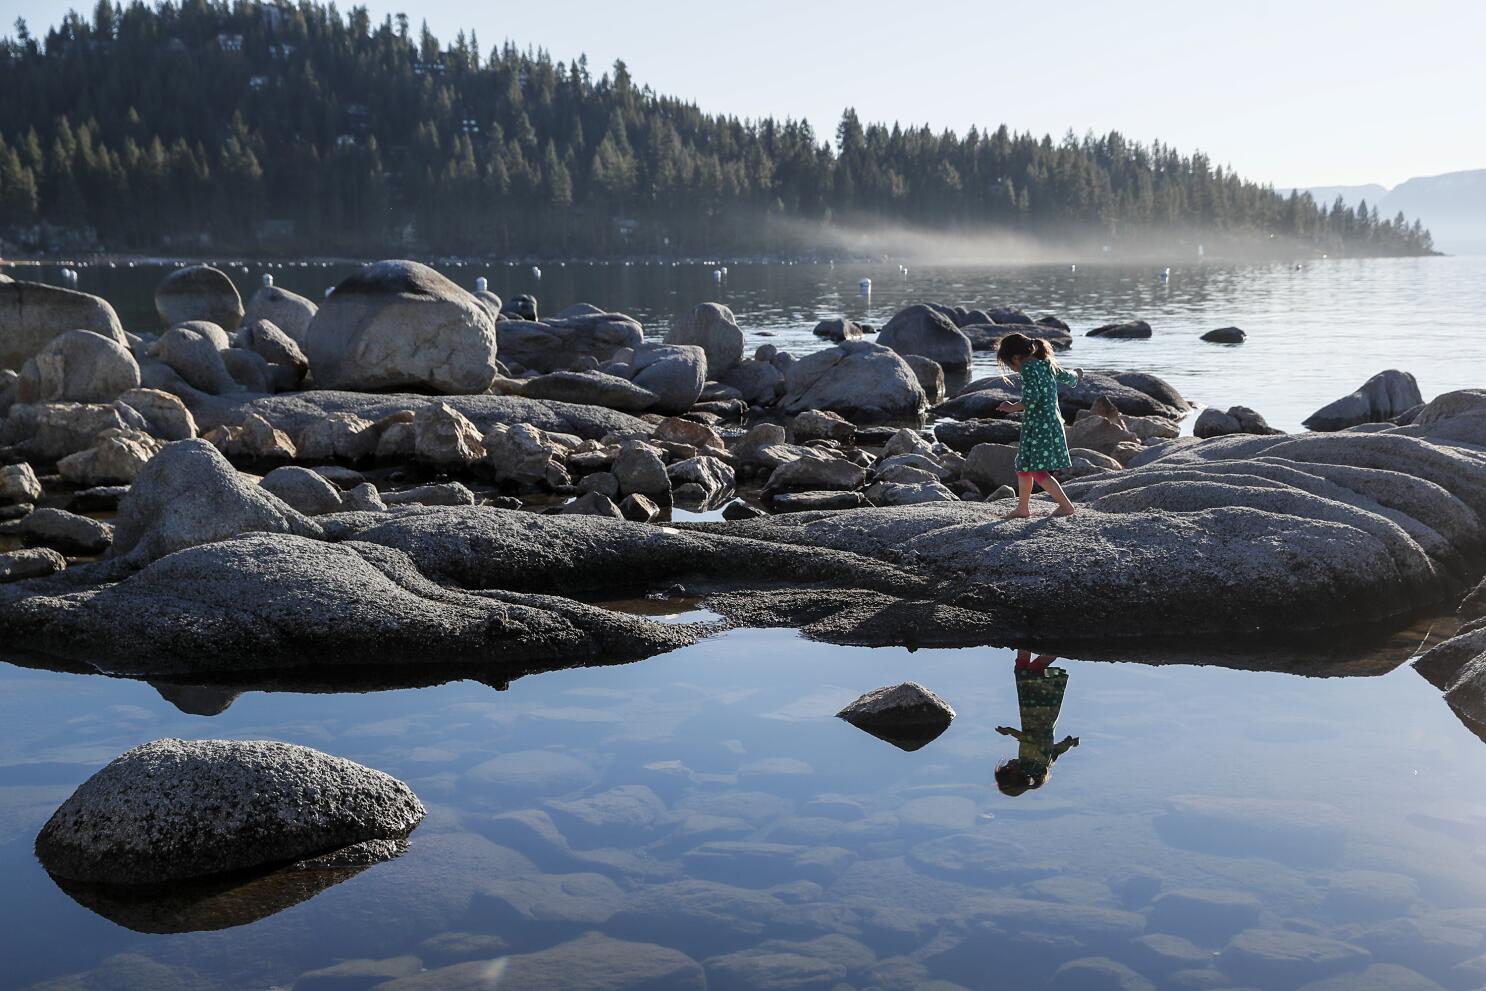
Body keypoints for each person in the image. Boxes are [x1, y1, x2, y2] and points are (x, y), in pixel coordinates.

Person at [995, 333, 1082, 518]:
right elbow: (1069, 377)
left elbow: (1031, 399)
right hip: (1048, 422)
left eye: (1011, 366)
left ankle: (1066, 506)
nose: (1014, 369)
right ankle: (1022, 508)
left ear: (1016, 358)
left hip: (1039, 424)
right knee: (1024, 464)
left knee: (1036, 469)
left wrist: (1011, 408)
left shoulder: (1028, 368)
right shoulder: (1047, 363)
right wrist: (1077, 374)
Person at [995, 649, 1079, 796]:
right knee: (1028, 672)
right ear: (1015, 775)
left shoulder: (1041, 768)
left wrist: (1069, 743)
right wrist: (1008, 731)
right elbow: (1030, 739)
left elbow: (1055, 751)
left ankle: (1028, 644)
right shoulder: (1029, 763)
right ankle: (1056, 647)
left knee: (1027, 672)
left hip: (1044, 713)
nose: (1008, 763)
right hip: (1037, 712)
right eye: (1008, 768)